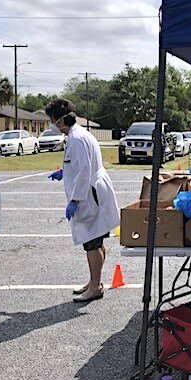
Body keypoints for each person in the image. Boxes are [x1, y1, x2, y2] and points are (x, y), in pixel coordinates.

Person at [45, 99, 121, 303]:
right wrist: (64, 171)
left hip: (89, 195)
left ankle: (95, 286)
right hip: (93, 190)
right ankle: (94, 281)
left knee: (92, 242)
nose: (53, 124)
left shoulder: (76, 138)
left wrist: (75, 200)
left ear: (61, 120)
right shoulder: (79, 135)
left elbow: (85, 170)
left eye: (52, 120)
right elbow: (81, 164)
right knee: (97, 239)